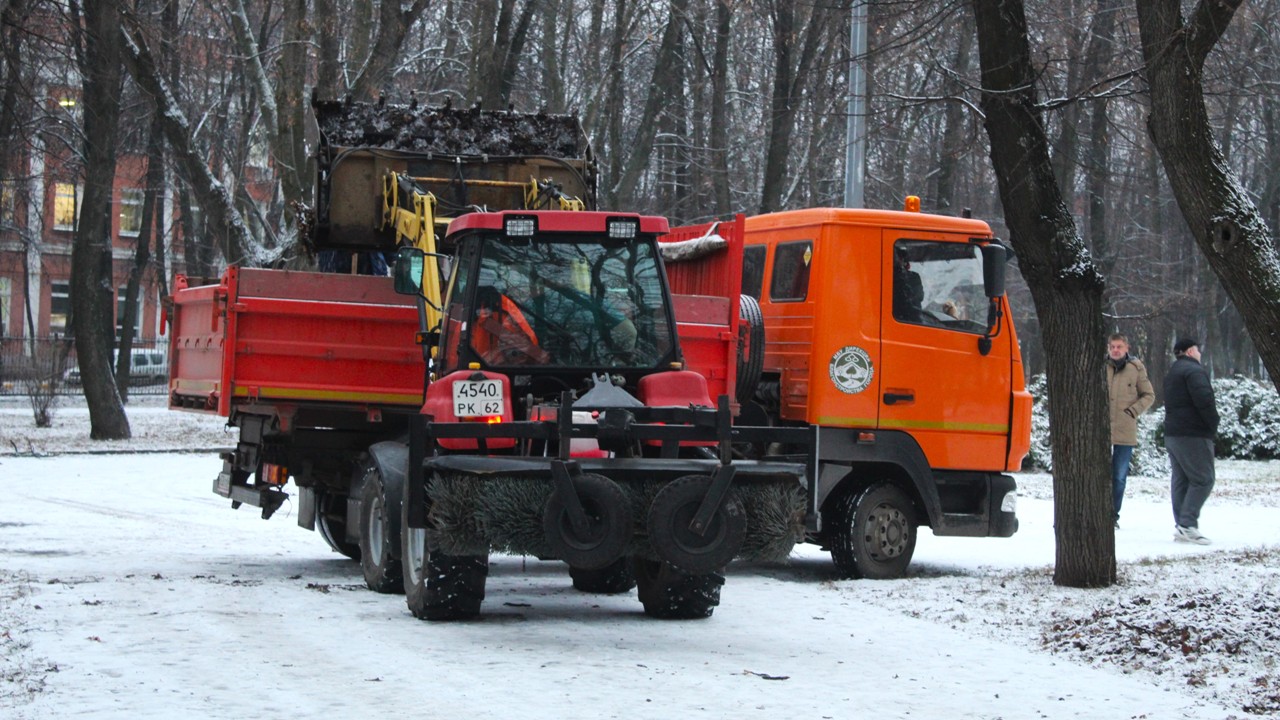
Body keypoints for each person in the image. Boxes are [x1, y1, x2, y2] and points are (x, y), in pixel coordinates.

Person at [1163, 337, 1219, 545]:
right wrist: (1213, 424)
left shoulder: (1173, 373)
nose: (1199, 354)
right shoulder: (1194, 371)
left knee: (1182, 479)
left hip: (1173, 433)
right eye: (1197, 350)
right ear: (1189, 352)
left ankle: (1181, 525)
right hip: (1193, 433)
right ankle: (1187, 524)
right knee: (1204, 479)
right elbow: (1204, 400)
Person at [1106, 333, 1154, 529]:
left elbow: (1149, 395)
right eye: (1112, 347)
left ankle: (1113, 515)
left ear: (1127, 348)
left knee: (1119, 476)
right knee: (1099, 475)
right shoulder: (1102, 367)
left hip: (1125, 431)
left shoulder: (1136, 368)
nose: (1115, 350)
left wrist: (1132, 411)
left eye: (1119, 346)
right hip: (1101, 430)